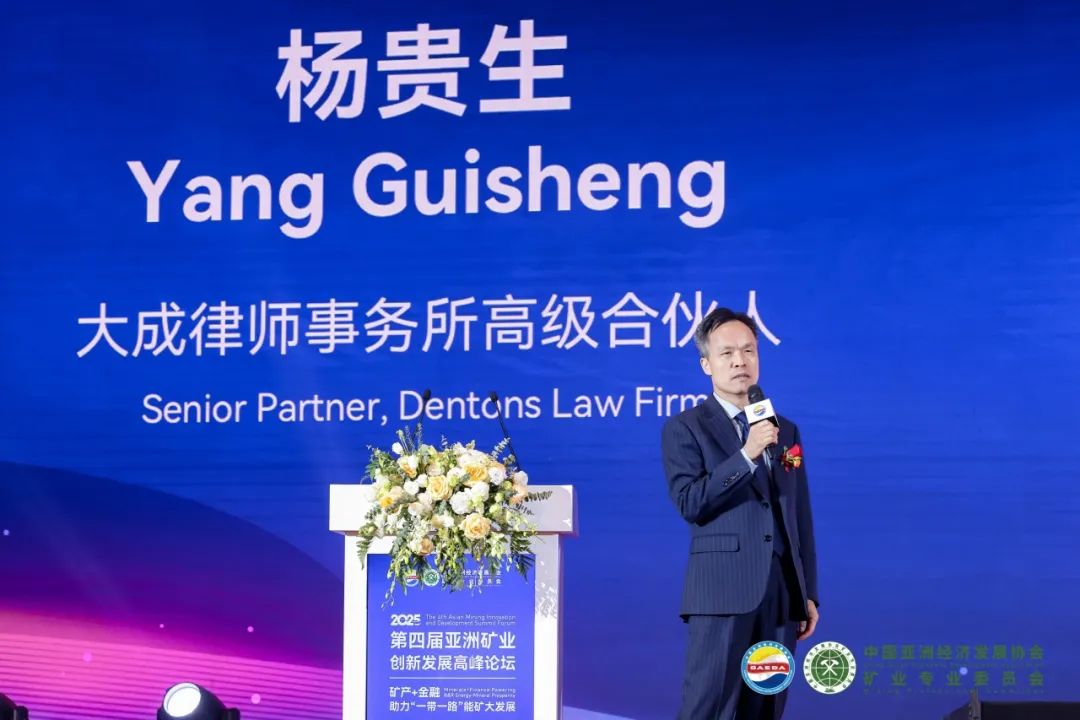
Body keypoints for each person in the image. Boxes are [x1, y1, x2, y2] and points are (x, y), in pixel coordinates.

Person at [661, 307, 820, 719]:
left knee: (766, 708)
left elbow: (799, 514)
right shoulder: (686, 427)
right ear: (706, 364)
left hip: (780, 594)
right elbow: (690, 502)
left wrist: (807, 591)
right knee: (709, 707)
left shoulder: (784, 429)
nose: (739, 361)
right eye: (727, 353)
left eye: (748, 351)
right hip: (722, 593)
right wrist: (747, 454)